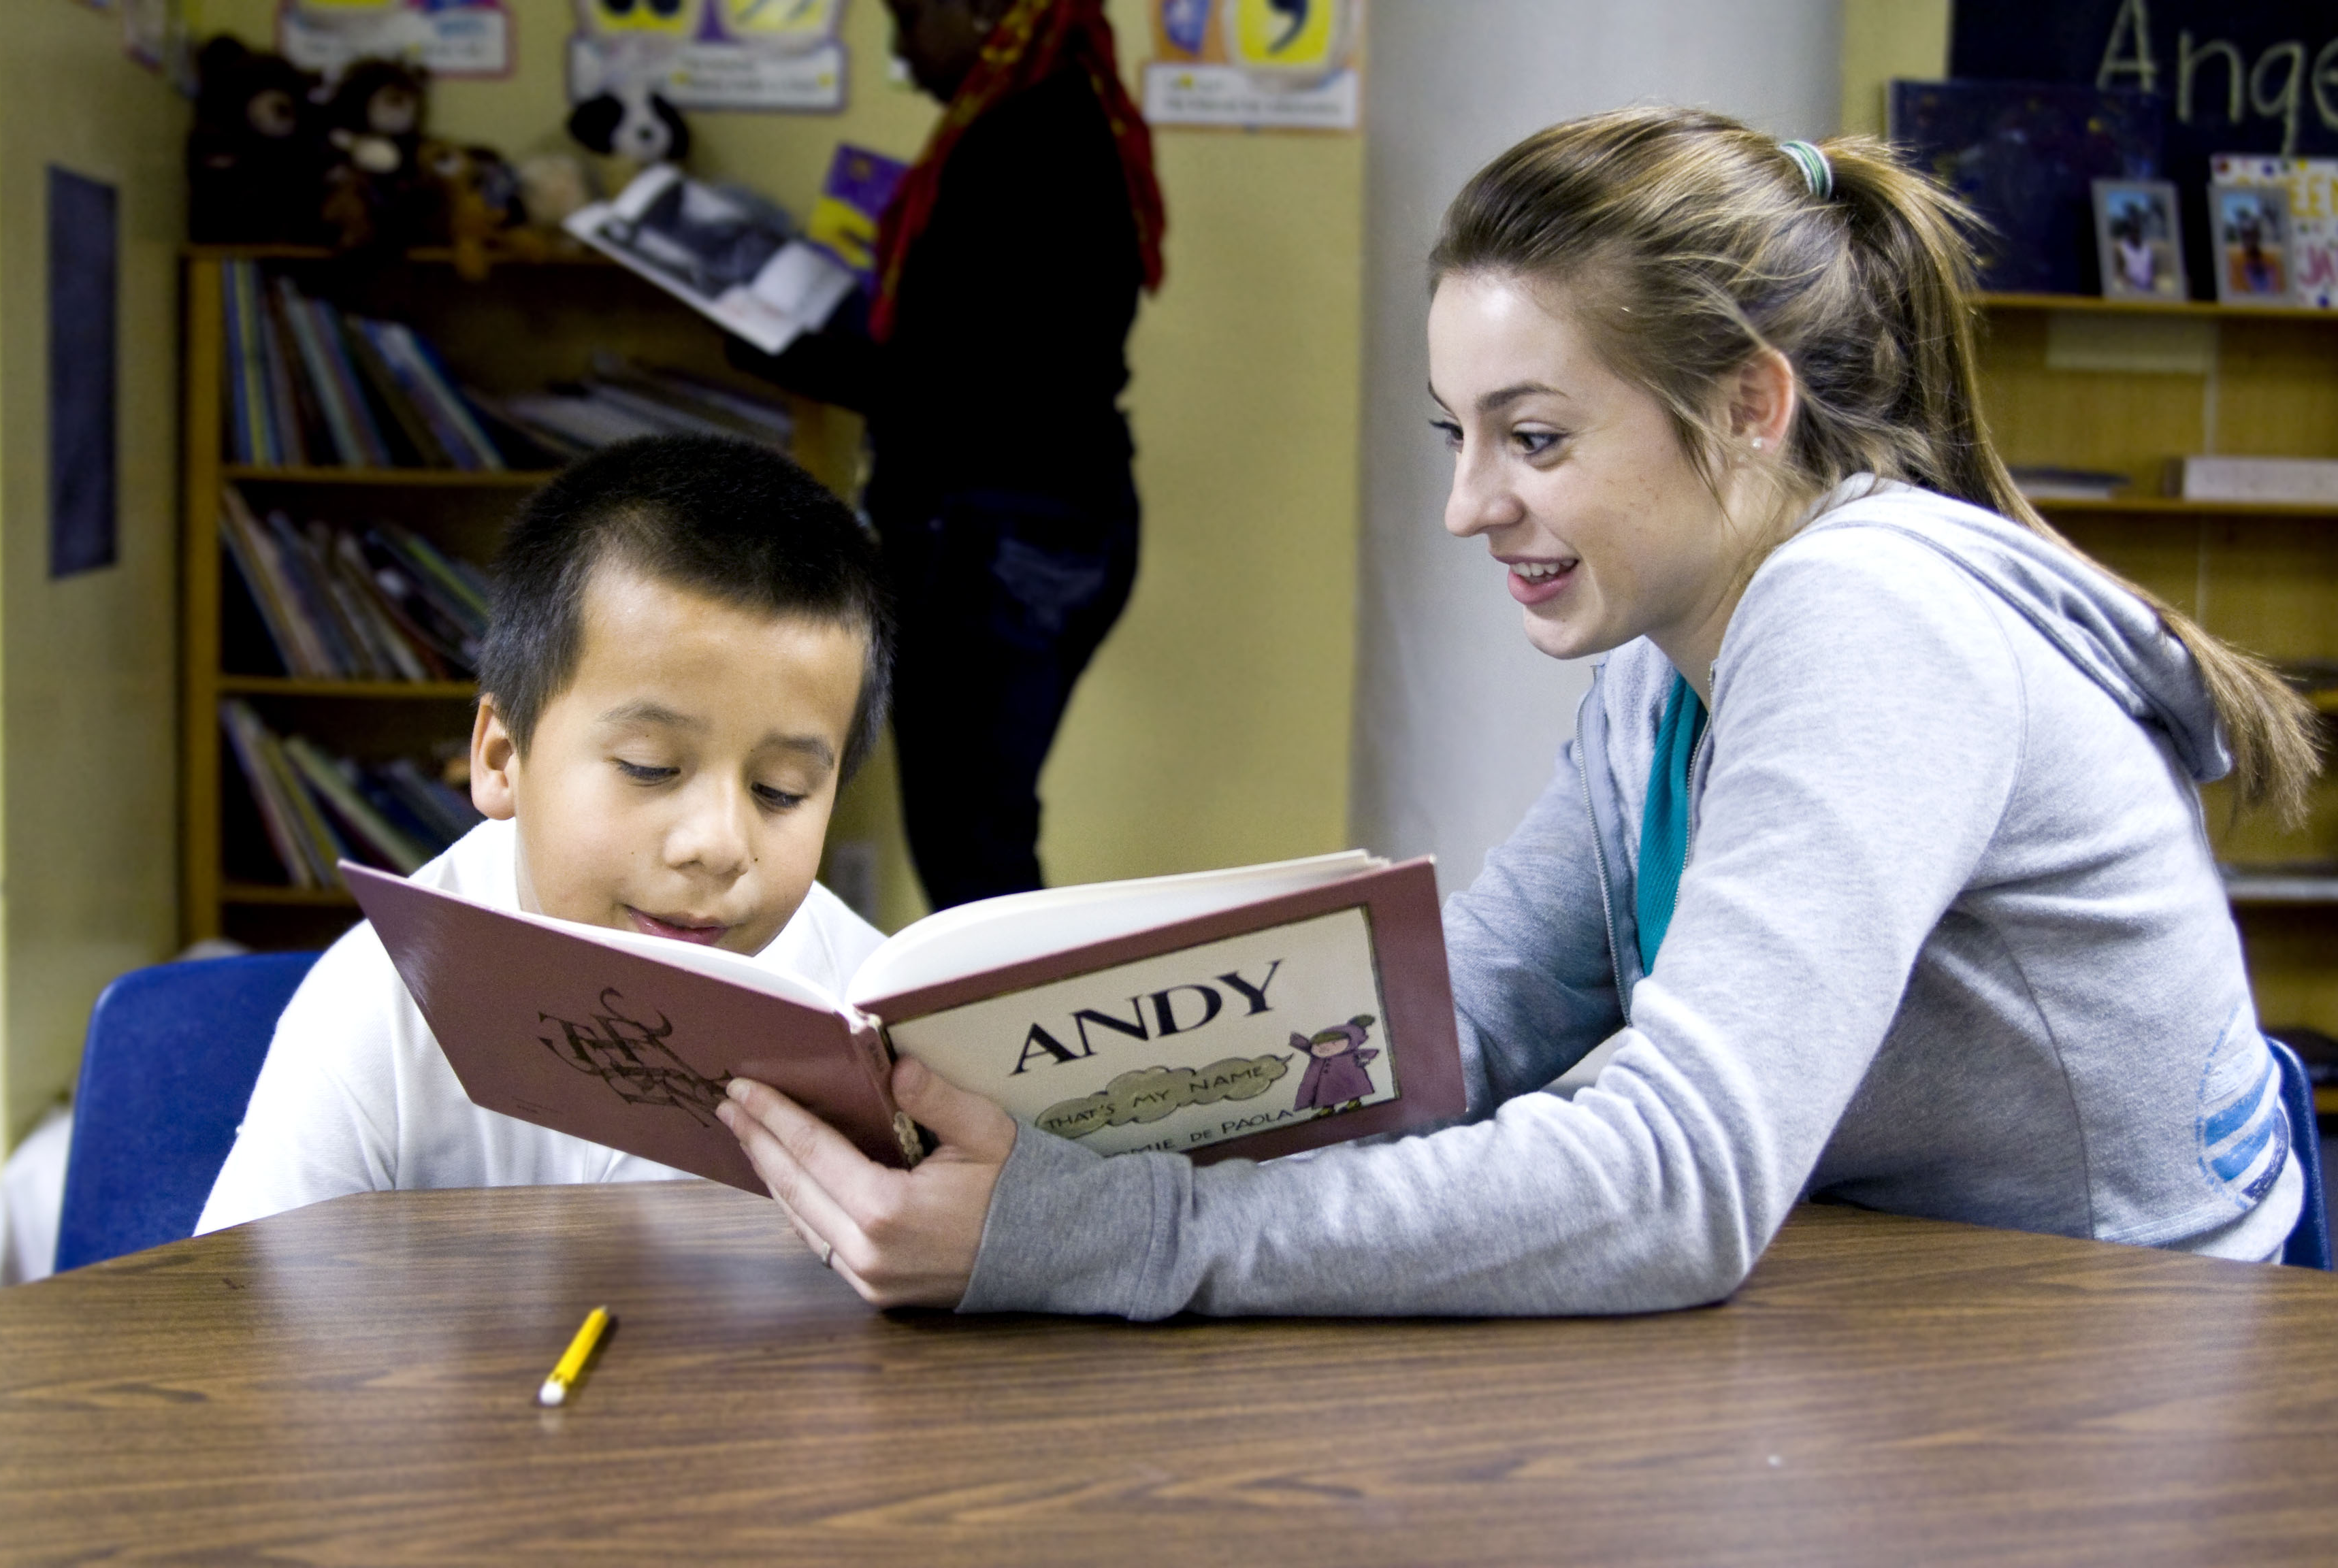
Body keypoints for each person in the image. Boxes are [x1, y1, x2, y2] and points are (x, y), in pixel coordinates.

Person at [711, 109, 2322, 1316]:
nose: (1467, 507)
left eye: (1533, 438)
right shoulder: (1664, 658)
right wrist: (1031, 1122)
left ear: (1750, 407)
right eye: (1454, 437)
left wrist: (1109, 1235)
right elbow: (1456, 1035)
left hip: (2132, 1355)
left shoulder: (1868, 618)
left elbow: (1676, 1181)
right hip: (1921, 1309)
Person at [197, 436, 893, 1232]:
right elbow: (247, 1319)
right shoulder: (382, 1005)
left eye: (781, 791)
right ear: (502, 758)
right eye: (649, 767)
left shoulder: (874, 1027)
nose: (719, 844)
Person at [730, 0, 1165, 910]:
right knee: (981, 828)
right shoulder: (1060, 117)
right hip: (1045, 520)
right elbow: (981, 347)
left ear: (975, 12)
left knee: (972, 837)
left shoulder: (1022, 139)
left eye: (908, 22)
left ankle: (1011, 1048)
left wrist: (768, 338)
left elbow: (959, 377)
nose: (900, 53)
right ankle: (1007, 1040)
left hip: (997, 534)